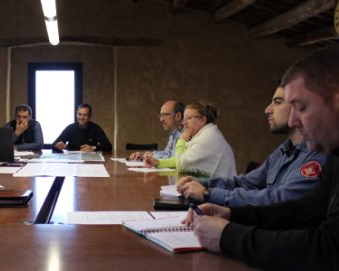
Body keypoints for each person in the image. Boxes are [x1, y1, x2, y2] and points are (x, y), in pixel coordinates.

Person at [183, 45, 339, 270]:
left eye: (302, 107)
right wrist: (233, 214)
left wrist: (229, 236)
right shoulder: (334, 155)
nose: (295, 121)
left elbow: (329, 248)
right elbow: (305, 210)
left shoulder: (323, 154)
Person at [176, 86, 325, 207]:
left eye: (278, 102)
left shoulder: (318, 154)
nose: (267, 109)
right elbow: (245, 182)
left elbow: (282, 199)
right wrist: (200, 184)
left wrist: (208, 193)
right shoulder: (282, 151)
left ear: (298, 107)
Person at [144, 101, 236, 178]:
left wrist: (181, 141)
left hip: (220, 194)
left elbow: (181, 165)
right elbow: (180, 159)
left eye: (189, 118)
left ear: (203, 120)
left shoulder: (208, 137)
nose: (184, 123)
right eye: (184, 119)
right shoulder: (203, 134)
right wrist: (158, 163)